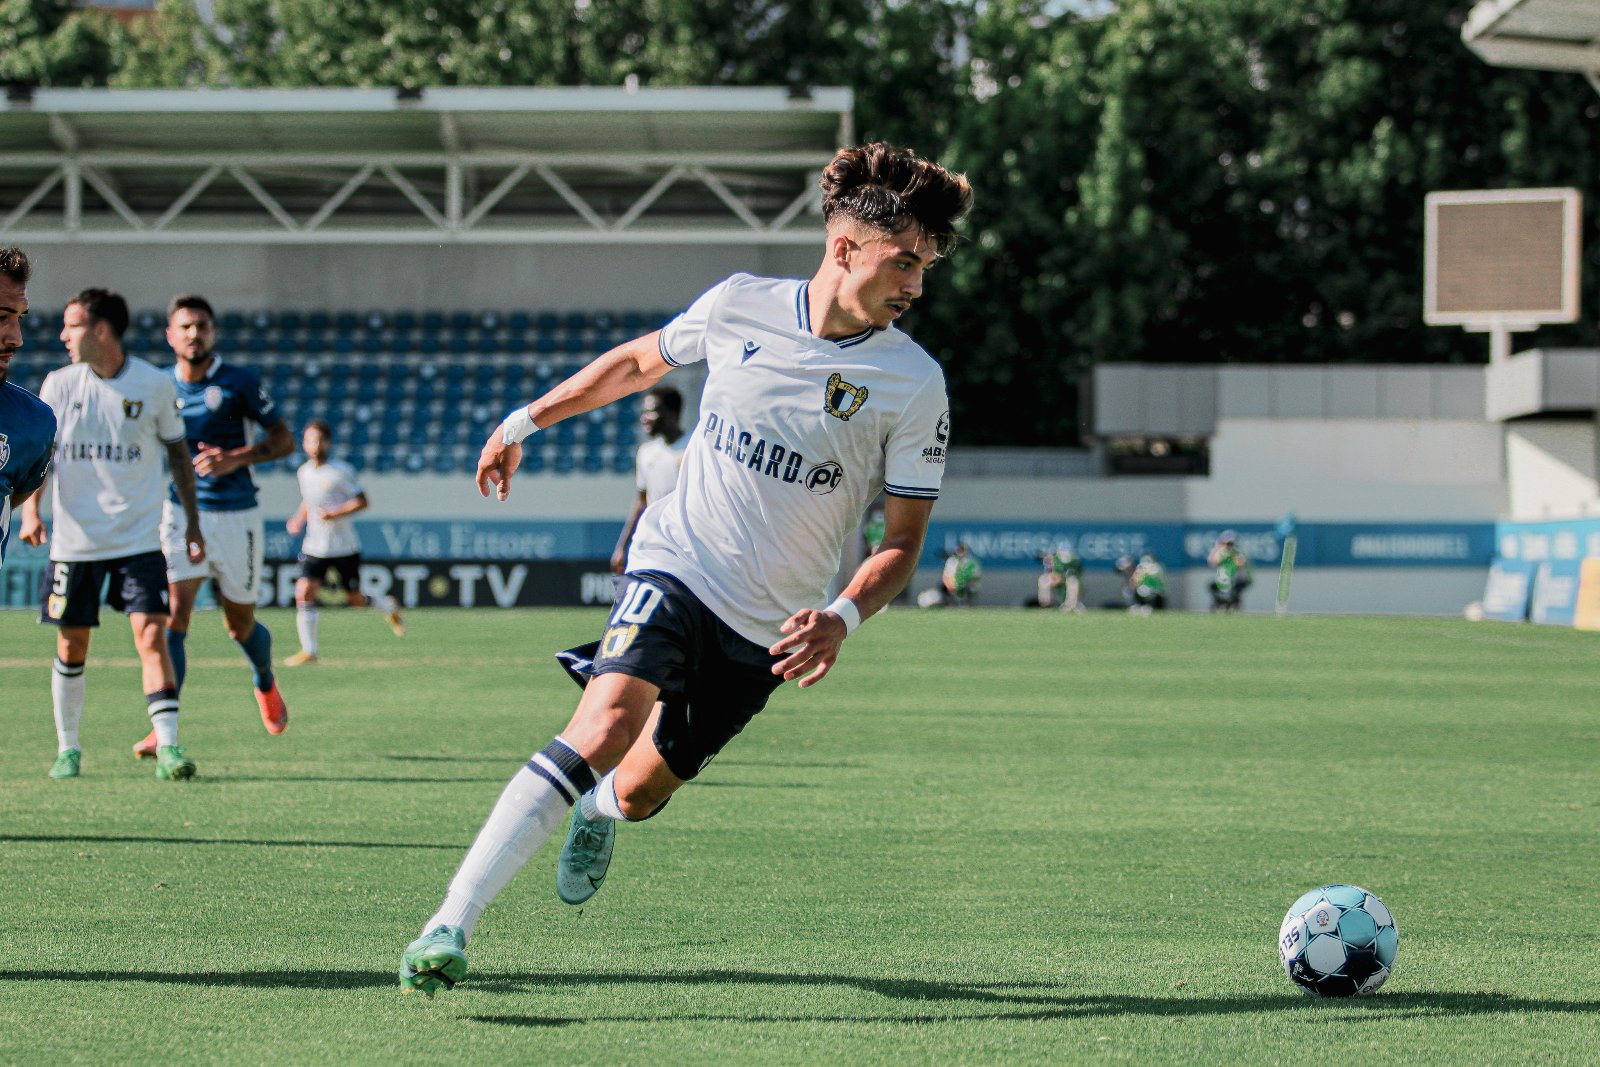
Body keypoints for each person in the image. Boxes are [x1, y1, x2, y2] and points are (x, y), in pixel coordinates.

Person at [399, 141, 971, 995]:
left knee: (635, 791)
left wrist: (841, 617)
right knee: (603, 724)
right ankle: (449, 922)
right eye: (906, 260)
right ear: (846, 247)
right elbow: (637, 363)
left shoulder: (914, 382)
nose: (917, 284)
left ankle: (596, 812)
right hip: (676, 565)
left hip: (769, 628)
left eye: (925, 266)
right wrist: (526, 420)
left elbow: (902, 544)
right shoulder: (742, 304)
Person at [19, 288, 205, 781]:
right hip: (74, 543)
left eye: (72, 325)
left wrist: (192, 521)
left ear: (101, 330)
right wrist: (30, 512)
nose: (63, 335)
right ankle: (69, 748)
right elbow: (40, 457)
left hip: (138, 539)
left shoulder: (153, 384)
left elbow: (179, 457)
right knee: (72, 644)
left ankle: (168, 747)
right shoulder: (58, 384)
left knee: (151, 636)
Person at [134, 294, 294, 758]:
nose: (193, 334)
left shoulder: (239, 382)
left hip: (236, 514)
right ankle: (164, 727)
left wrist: (235, 459)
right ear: (170, 335)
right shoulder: (158, 386)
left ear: (213, 333)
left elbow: (283, 440)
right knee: (173, 617)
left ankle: (265, 680)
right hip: (180, 513)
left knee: (238, 624)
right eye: (184, 326)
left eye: (201, 326)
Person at [284, 419, 403, 665]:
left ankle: (387, 605)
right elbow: (309, 501)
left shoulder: (340, 471)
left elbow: (362, 501)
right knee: (304, 591)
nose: (313, 445)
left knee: (355, 599)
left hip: (343, 546)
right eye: (309, 440)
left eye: (318, 440)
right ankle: (310, 651)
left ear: (327, 442)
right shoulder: (304, 472)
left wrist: (335, 513)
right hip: (314, 545)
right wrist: (298, 519)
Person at [0, 248, 56, 570]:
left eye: (19, 317)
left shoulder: (33, 422)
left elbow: (14, 497)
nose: (16, 338)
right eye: (1, 317)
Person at [610, 386, 686, 574]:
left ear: (671, 413)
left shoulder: (693, 448)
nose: (644, 417)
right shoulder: (646, 452)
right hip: (652, 542)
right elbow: (641, 502)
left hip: (685, 546)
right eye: (643, 412)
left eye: (651, 412)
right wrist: (622, 546)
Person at [1207, 530, 1252, 612]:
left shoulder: (1237, 552)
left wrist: (1232, 559)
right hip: (1224, 580)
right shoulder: (1220, 552)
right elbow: (1212, 562)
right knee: (1212, 587)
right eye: (1226, 543)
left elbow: (1241, 564)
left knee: (1235, 590)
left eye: (1230, 544)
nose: (1228, 546)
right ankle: (1220, 603)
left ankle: (1233, 604)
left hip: (1237, 579)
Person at [1037, 541, 1082, 611]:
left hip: (1066, 579)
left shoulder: (1074, 560)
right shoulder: (1054, 559)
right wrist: (1055, 577)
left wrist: (1063, 577)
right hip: (1056, 578)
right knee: (1043, 579)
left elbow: (1075, 574)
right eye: (1062, 551)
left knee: (1072, 582)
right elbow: (1049, 572)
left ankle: (1070, 605)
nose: (1064, 553)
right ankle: (1045, 604)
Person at [940, 542, 981, 606]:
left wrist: (965, 582)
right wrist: (950, 585)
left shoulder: (971, 562)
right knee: (943, 588)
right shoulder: (952, 561)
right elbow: (947, 575)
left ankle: (966, 604)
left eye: (962, 550)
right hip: (954, 584)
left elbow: (975, 577)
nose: (961, 552)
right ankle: (951, 604)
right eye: (959, 550)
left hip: (966, 584)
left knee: (971, 588)